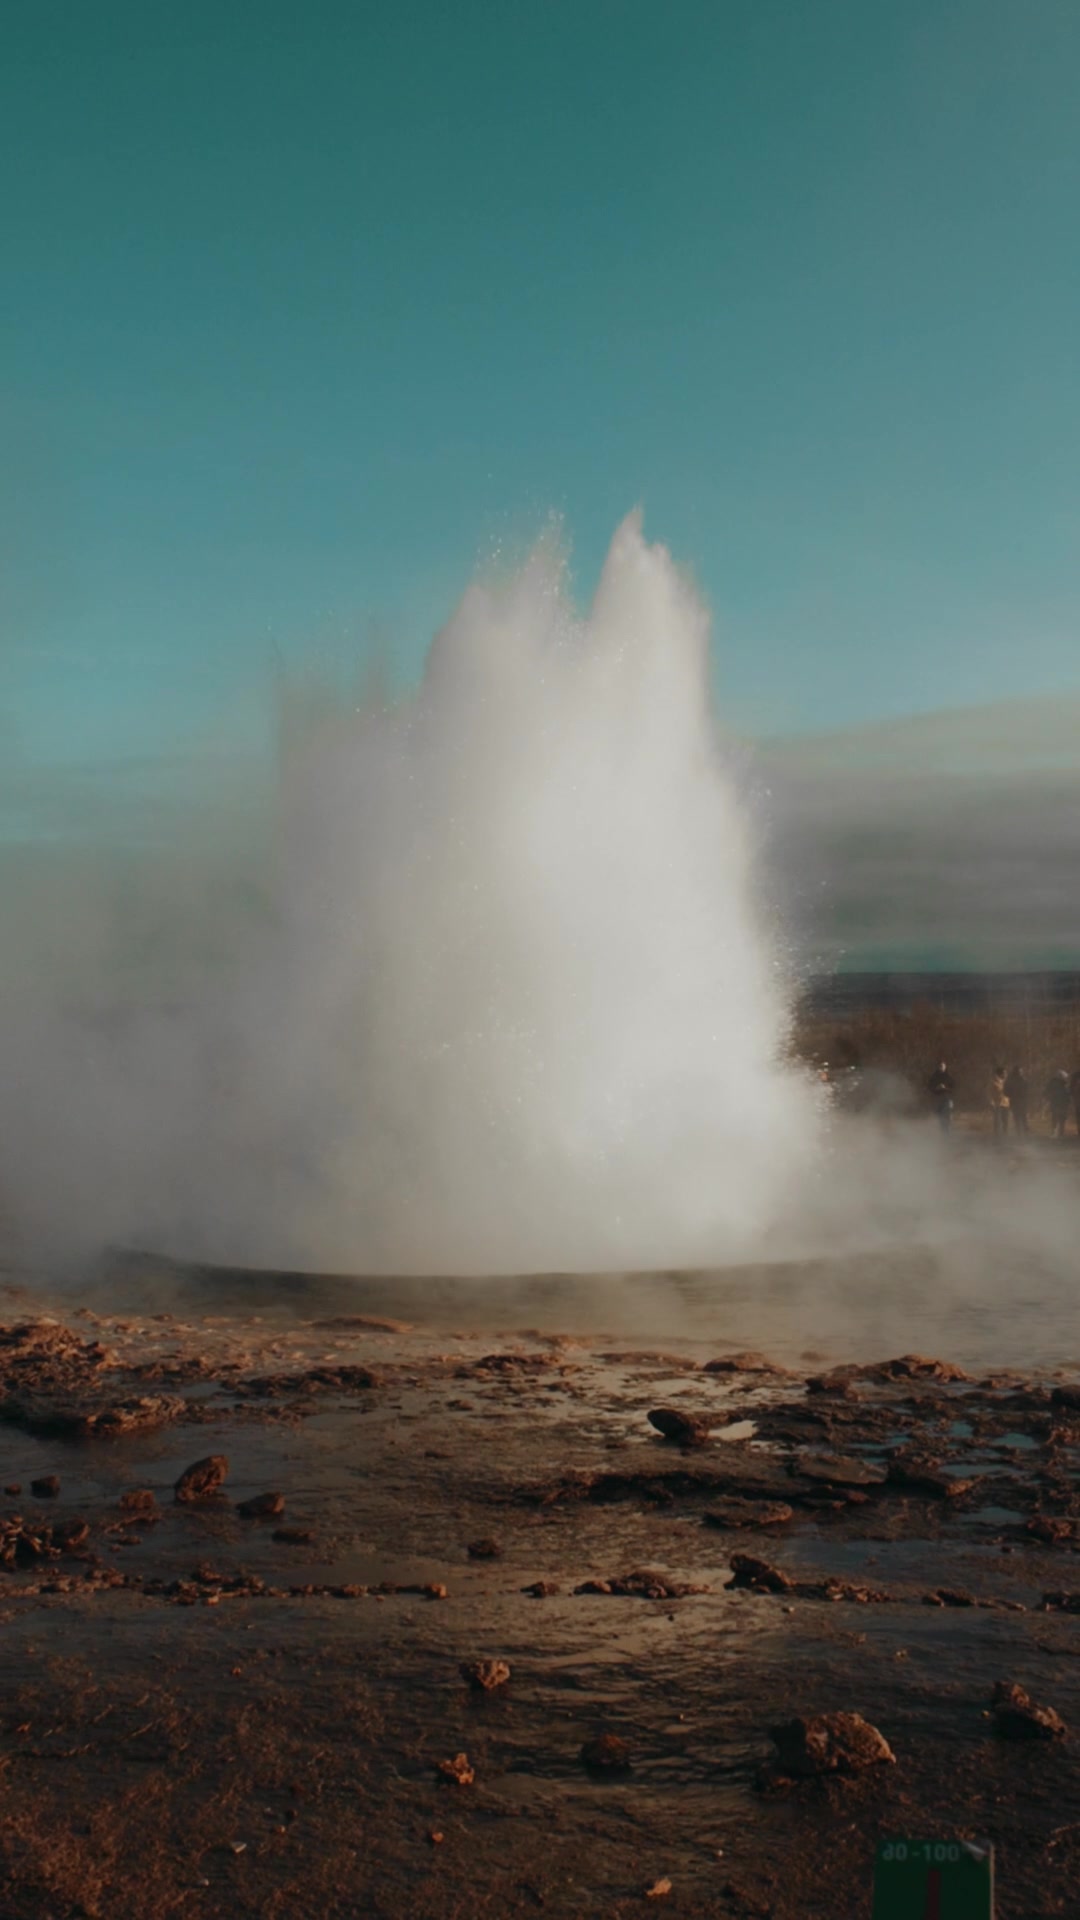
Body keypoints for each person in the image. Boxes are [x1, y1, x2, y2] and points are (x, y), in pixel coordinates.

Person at [927, 1060, 955, 1133]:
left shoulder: (949, 1077)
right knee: (940, 1117)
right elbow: (930, 1088)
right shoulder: (934, 1077)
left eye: (942, 1066)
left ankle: (947, 1133)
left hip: (947, 1099)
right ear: (937, 1067)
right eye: (940, 1066)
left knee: (947, 1117)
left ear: (945, 1067)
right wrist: (936, 1088)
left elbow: (954, 1088)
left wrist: (945, 1088)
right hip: (938, 1099)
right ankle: (943, 1133)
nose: (941, 1068)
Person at [1004, 1064, 1029, 1137]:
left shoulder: (1021, 1080)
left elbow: (1027, 1090)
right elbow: (1006, 1092)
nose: (1020, 1073)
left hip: (1020, 1102)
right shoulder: (1013, 1081)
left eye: (1020, 1071)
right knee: (1019, 1118)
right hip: (1017, 1102)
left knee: (1021, 1118)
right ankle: (1021, 1134)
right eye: (1019, 1071)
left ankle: (1023, 1134)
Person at [1046, 1070, 1071, 1139]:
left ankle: (1055, 1133)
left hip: (1056, 1103)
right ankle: (1059, 1133)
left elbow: (1047, 1091)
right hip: (1060, 1103)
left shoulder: (1053, 1082)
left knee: (1056, 1118)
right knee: (1061, 1118)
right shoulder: (1064, 1084)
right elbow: (1067, 1094)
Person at [988, 1065, 1010, 1141]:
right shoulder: (994, 1082)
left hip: (1006, 1104)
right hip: (997, 1104)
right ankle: (997, 1137)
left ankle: (1005, 1136)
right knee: (997, 1121)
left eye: (1006, 1073)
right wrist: (991, 1102)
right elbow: (989, 1093)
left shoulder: (1006, 1082)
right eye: (1004, 1073)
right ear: (1000, 1074)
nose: (1006, 1074)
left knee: (1005, 1121)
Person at [1071, 1067, 1080, 1139]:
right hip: (1077, 1100)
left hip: (1077, 1100)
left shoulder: (1075, 1075)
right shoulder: (1075, 1075)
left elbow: (1071, 1089)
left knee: (1078, 1115)